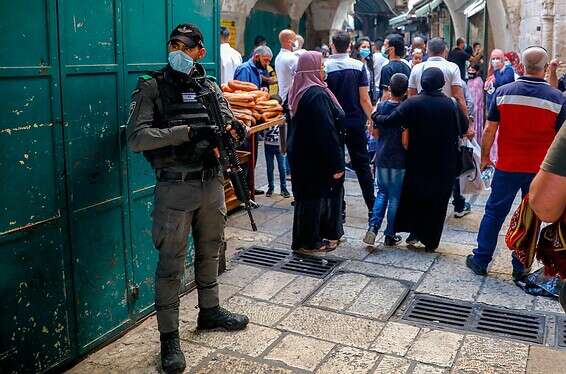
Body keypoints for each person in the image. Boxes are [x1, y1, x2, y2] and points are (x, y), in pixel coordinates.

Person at [126, 24, 249, 373]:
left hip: (211, 184)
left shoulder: (208, 87)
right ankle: (169, 340)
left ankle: (209, 311)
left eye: (185, 46)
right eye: (173, 45)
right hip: (175, 188)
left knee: (211, 249)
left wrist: (233, 128)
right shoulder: (152, 86)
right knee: (171, 265)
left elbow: (227, 120)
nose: (177, 51)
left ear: (200, 52)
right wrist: (187, 133)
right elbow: (137, 138)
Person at [466, 46, 566, 280]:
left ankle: (481, 259)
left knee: (494, 212)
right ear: (543, 68)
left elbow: (490, 129)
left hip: (508, 165)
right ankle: (520, 267)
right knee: (531, 217)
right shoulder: (558, 99)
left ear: (521, 65)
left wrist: (485, 157)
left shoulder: (503, 92)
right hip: (539, 169)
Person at [373, 68, 468, 251]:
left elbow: (390, 120)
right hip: (444, 161)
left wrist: (375, 115)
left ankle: (415, 233)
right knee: (438, 201)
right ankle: (431, 241)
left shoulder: (413, 103)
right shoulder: (451, 104)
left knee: (417, 195)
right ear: (442, 83)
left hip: (417, 159)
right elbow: (463, 127)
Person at [287, 51, 346, 254]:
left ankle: (306, 239)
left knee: (306, 198)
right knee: (313, 199)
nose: (323, 70)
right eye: (321, 66)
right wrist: (337, 163)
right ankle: (309, 242)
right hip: (315, 157)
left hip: (304, 153)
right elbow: (326, 132)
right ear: (312, 69)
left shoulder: (302, 89)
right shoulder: (317, 94)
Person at [407, 37, 473, 219]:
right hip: (447, 123)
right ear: (445, 51)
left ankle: (423, 204)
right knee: (451, 162)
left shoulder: (417, 68)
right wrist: (466, 124)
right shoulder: (452, 68)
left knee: (423, 164)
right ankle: (457, 203)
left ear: (427, 50)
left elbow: (410, 97)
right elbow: (459, 97)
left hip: (420, 124)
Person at [325, 31, 375, 216]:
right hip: (355, 122)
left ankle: (340, 209)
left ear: (332, 45)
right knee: (362, 165)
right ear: (349, 46)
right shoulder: (358, 66)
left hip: (333, 123)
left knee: (335, 166)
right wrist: (372, 119)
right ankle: (372, 207)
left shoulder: (325, 67)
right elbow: (364, 99)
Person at [364, 73, 409, 247]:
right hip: (399, 159)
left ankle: (373, 228)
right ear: (405, 91)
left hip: (382, 156)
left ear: (389, 88)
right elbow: (405, 141)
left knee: (381, 193)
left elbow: (374, 134)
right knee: (395, 197)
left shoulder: (381, 107)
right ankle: (390, 234)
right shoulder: (405, 110)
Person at [264, 95, 291, 198]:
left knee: (282, 168)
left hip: (281, 145)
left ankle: (283, 188)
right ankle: (271, 187)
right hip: (268, 145)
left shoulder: (283, 116)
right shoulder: (265, 116)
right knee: (269, 168)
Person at [379, 34, 411, 100]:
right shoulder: (407, 67)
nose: (384, 48)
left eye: (386, 46)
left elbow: (386, 94)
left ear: (391, 49)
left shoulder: (387, 68)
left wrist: (381, 107)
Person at [467, 63, 485, 144]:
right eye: (469, 70)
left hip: (477, 108)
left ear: (477, 72)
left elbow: (479, 97)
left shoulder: (478, 81)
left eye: (472, 70)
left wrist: (475, 108)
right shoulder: (469, 81)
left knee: (476, 125)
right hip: (470, 107)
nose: (470, 72)